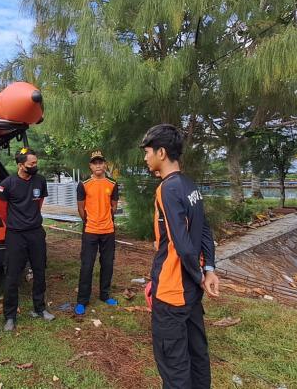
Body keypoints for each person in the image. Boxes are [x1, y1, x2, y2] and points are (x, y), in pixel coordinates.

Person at [139, 123, 221, 389]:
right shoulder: (189, 184)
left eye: (148, 151)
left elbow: (183, 245)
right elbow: (204, 230)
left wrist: (198, 277)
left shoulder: (167, 189)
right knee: (197, 356)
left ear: (161, 152)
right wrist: (209, 269)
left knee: (173, 366)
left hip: (173, 292)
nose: (145, 157)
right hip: (190, 294)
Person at [0, 147, 55, 331]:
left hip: (36, 233)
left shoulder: (40, 181)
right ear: (21, 165)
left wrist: (30, 221)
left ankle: (40, 309)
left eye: (36, 163)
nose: (35, 166)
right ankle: (10, 316)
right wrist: (17, 224)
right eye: (32, 164)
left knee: (40, 271)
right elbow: (2, 212)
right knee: (12, 276)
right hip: (15, 235)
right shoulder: (7, 184)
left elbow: (38, 205)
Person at [74, 150, 120, 315]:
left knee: (107, 264)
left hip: (108, 231)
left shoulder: (112, 183)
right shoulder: (84, 184)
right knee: (87, 265)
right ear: (90, 166)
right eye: (95, 163)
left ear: (105, 164)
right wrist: (89, 221)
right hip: (90, 231)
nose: (98, 165)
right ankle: (82, 300)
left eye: (101, 162)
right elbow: (80, 207)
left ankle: (105, 295)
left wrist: (106, 218)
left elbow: (114, 206)